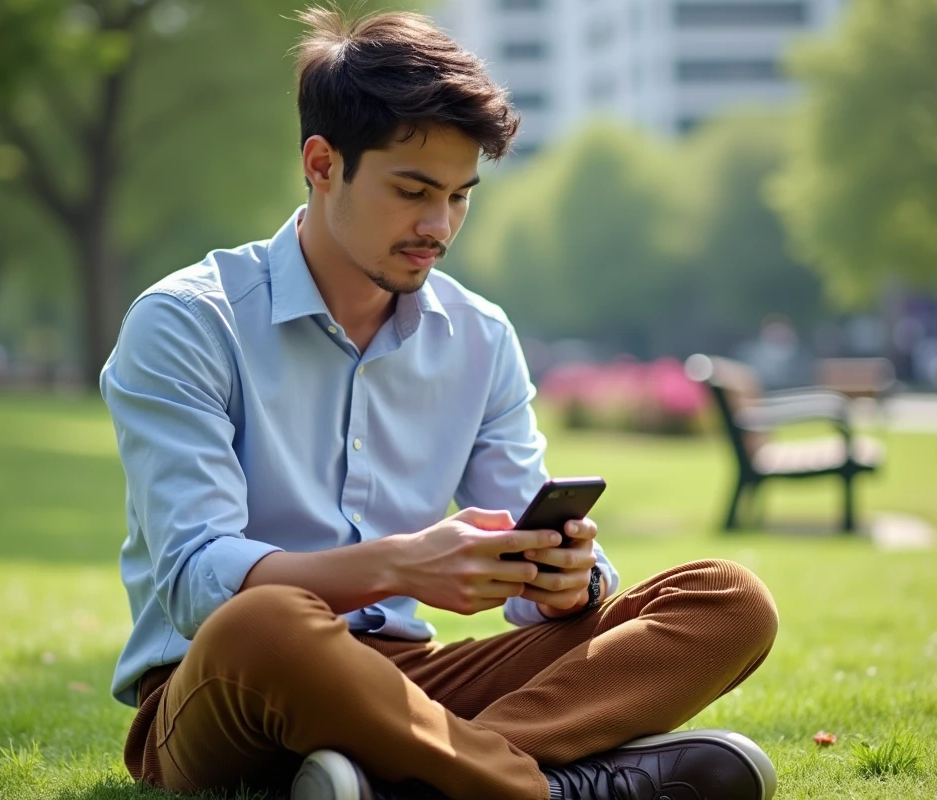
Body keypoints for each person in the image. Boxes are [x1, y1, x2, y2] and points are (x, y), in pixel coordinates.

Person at [99, 7, 779, 800]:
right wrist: (402, 563)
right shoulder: (188, 321)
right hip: (228, 688)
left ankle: (398, 783)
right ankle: (544, 790)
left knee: (727, 601)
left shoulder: (480, 337)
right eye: (414, 190)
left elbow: (532, 547)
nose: (439, 226)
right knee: (268, 620)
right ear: (322, 165)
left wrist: (566, 579)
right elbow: (191, 580)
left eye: (461, 196)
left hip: (416, 686)